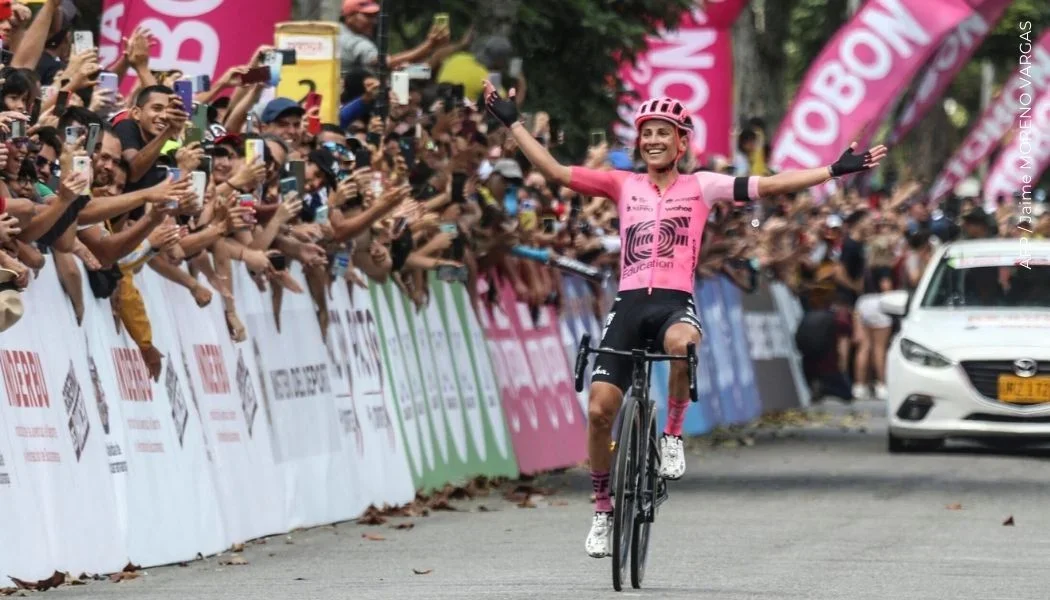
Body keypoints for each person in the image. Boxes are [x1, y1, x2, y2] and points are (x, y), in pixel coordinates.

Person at [482, 83, 887, 558]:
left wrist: (833, 171)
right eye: (646, 133)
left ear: (681, 143)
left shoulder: (703, 186)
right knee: (597, 412)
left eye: (663, 133)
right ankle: (601, 509)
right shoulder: (621, 185)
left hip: (675, 301)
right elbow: (551, 170)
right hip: (629, 304)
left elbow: (771, 185)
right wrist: (511, 122)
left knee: (682, 344)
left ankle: (672, 436)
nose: (653, 140)